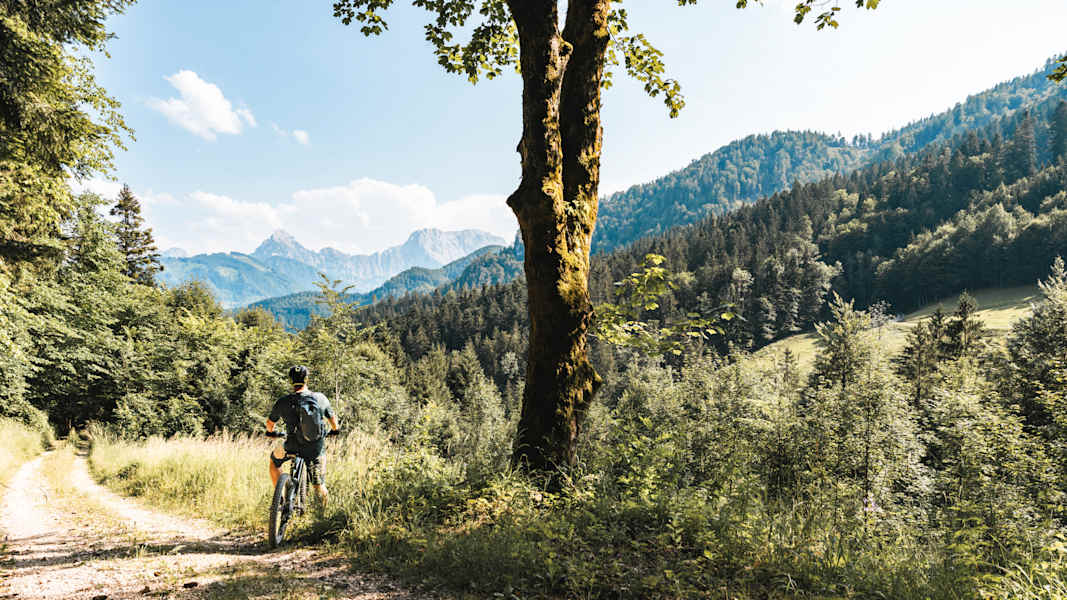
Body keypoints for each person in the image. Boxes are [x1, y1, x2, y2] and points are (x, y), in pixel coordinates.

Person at [266, 365, 339, 507]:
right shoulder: (320, 398)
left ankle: (279, 500)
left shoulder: (283, 401)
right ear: (307, 379)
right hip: (314, 449)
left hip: (291, 446)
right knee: (319, 486)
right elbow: (333, 421)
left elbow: (269, 424)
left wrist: (271, 433)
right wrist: (334, 431)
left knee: (274, 462)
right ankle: (323, 517)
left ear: (290, 381)